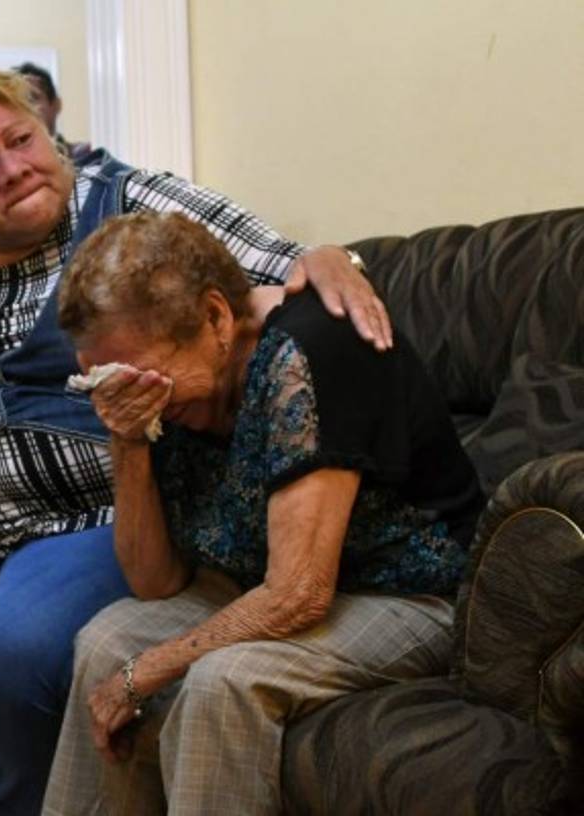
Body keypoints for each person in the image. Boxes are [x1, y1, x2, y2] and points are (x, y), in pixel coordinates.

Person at [0, 63, 392, 815]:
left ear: (50, 135)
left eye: (21, 140)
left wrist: (326, 258)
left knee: (5, 656)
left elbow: (274, 263)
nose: (12, 167)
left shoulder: (126, 201)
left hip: (102, 520)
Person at [42, 211, 484, 815]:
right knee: (105, 640)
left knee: (225, 677)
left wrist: (151, 669)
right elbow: (155, 583)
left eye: (136, 378)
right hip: (263, 583)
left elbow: (298, 593)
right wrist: (129, 439)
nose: (128, 394)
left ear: (217, 318)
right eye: (105, 382)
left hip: (409, 595)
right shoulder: (158, 386)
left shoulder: (316, 348)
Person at [15, 61, 91, 162]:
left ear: (56, 105)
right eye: (19, 101)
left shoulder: (84, 154)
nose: (25, 108)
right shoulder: (11, 164)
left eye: (32, 98)